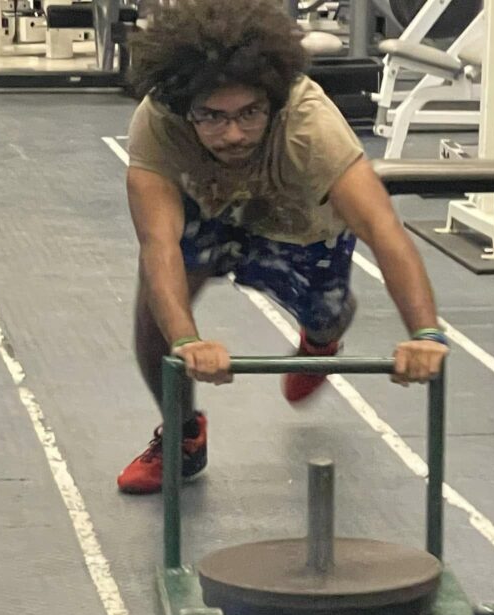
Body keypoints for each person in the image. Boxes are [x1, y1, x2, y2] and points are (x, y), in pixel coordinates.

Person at [117, 0, 448, 495]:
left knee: (327, 312)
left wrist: (425, 332)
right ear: (184, 107)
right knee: (156, 311)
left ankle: (321, 338)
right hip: (206, 212)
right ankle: (183, 436)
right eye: (212, 116)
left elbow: (383, 229)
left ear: (272, 99)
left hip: (296, 223)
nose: (233, 133)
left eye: (249, 114)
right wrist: (186, 340)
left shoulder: (311, 124)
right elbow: (158, 243)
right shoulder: (158, 121)